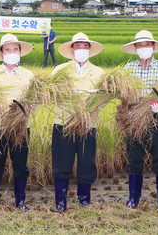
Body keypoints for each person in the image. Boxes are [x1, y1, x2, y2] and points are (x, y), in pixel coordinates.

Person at [50, 32, 105, 213]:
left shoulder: (99, 73)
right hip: (63, 124)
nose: (81, 49)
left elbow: (105, 98)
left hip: (88, 125)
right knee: (61, 163)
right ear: (72, 50)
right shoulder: (59, 71)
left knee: (86, 162)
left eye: (85, 46)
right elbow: (50, 95)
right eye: (78, 46)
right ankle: (60, 202)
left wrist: (97, 106)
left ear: (90, 49)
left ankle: (84, 199)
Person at [0, 33, 34, 212]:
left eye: (15, 49)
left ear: (20, 52)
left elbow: (36, 101)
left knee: (20, 166)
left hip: (21, 128)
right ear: (2, 53)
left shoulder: (29, 75)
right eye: (7, 49)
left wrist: (28, 109)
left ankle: (20, 202)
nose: (11, 52)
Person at [120, 30, 158, 212]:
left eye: (147, 45)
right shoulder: (127, 69)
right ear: (135, 48)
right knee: (135, 159)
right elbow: (124, 96)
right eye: (140, 45)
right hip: (134, 118)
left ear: (153, 47)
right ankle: (133, 199)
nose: (144, 48)